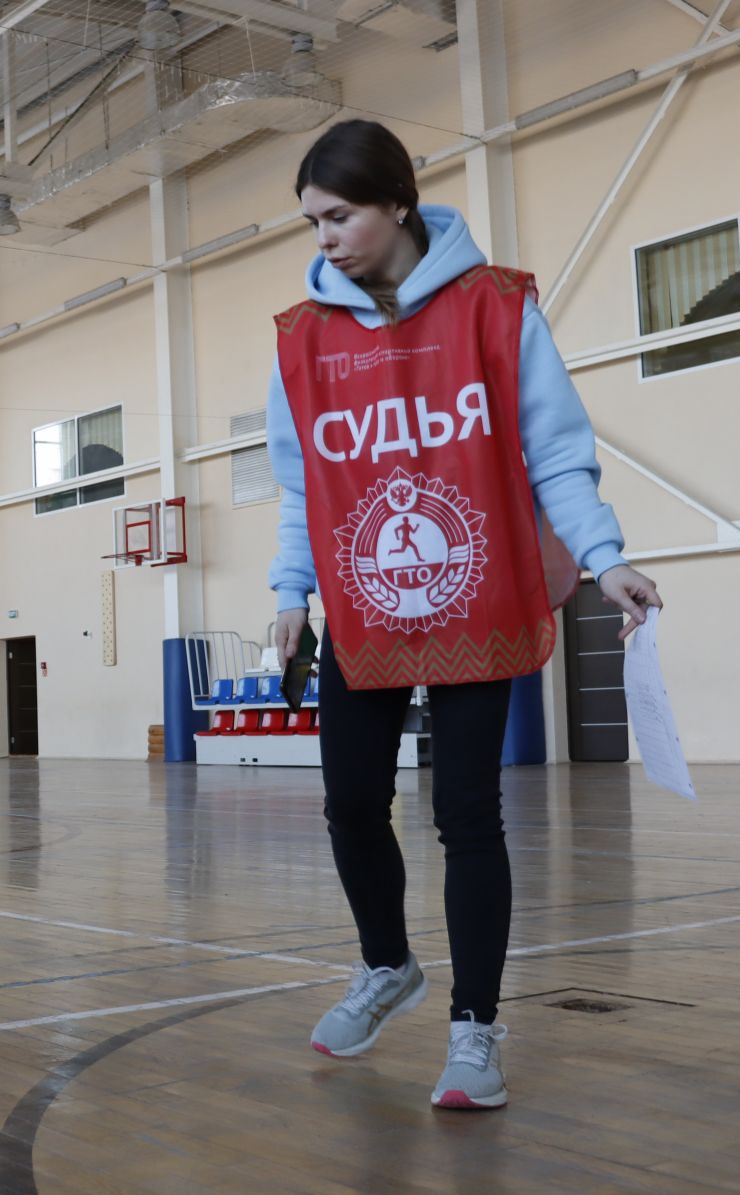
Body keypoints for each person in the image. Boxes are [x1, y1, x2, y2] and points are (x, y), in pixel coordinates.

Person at [265, 120, 663, 1109]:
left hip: (478, 594)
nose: (323, 236)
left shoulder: (498, 307)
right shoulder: (301, 339)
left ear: (397, 202)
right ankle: (387, 965)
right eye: (312, 221)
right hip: (362, 605)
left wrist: (605, 560)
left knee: (466, 815)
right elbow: (296, 483)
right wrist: (288, 591)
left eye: (339, 215)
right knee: (351, 802)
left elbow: (556, 450)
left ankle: (476, 1028)